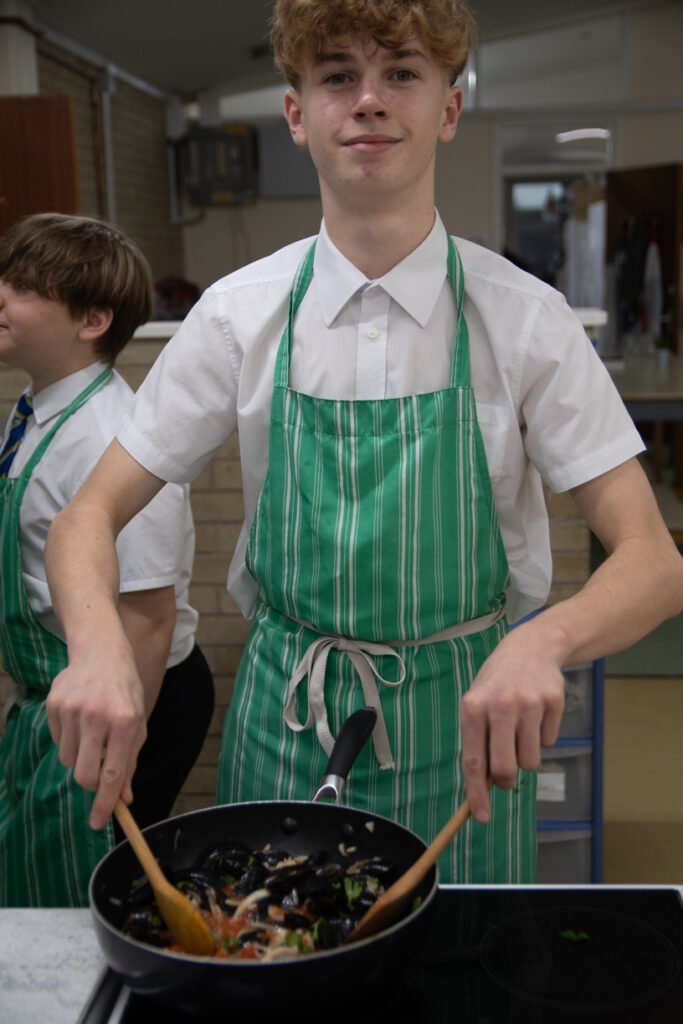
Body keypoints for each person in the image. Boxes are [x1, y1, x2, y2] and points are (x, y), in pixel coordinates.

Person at [44, 0, 683, 885]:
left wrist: (544, 641)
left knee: (458, 958)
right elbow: (86, 517)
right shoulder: (236, 317)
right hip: (284, 725)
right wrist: (97, 649)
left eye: (401, 73)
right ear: (297, 113)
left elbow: (653, 561)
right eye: (338, 75)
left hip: (466, 737)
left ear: (448, 109)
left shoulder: (525, 321)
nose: (369, 99)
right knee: (267, 943)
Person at [0, 213, 215, 906]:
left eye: (24, 287)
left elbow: (147, 619)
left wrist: (118, 748)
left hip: (130, 695)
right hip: (54, 691)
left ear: (92, 321)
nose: (1, 296)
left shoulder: (112, 434)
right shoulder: (34, 410)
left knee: (94, 895)